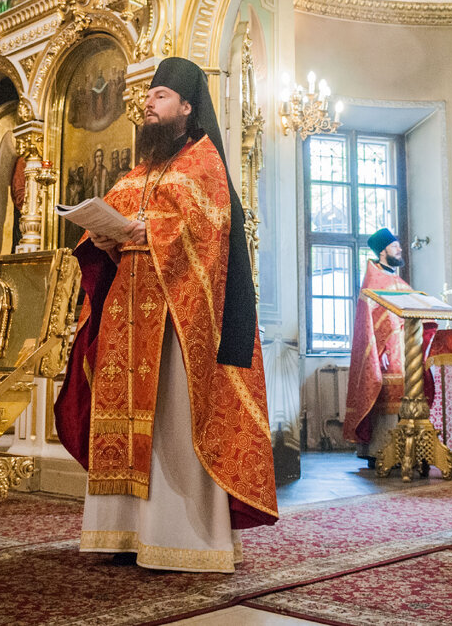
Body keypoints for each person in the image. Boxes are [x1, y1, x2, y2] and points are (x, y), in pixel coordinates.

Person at [55, 57, 277, 573]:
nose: (148, 104)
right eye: (148, 96)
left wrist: (145, 231)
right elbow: (107, 224)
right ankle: (121, 532)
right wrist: (106, 236)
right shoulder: (139, 170)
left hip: (178, 321)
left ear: (186, 106)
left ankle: (183, 536)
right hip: (124, 314)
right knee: (124, 418)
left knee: (172, 421)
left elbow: (209, 228)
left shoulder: (203, 161)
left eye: (159, 97)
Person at [343, 228, 436, 468]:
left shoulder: (396, 280)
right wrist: (380, 351)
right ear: (383, 251)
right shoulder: (374, 280)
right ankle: (382, 451)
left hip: (405, 351)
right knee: (387, 400)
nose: (400, 250)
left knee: (407, 394)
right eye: (395, 246)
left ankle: (410, 450)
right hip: (385, 353)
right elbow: (371, 321)